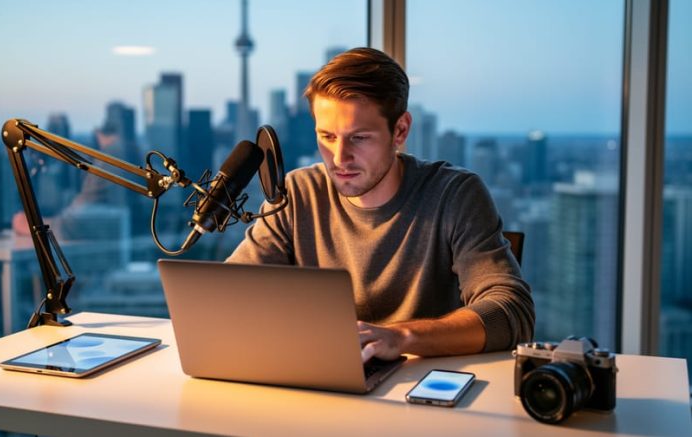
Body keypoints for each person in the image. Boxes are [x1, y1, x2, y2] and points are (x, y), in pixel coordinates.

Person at [226, 47, 534, 363]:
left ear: (400, 130)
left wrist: (400, 337)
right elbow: (230, 295)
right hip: (321, 381)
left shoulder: (454, 194)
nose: (339, 158)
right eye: (327, 136)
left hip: (423, 389)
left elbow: (511, 311)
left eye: (359, 138)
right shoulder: (296, 193)